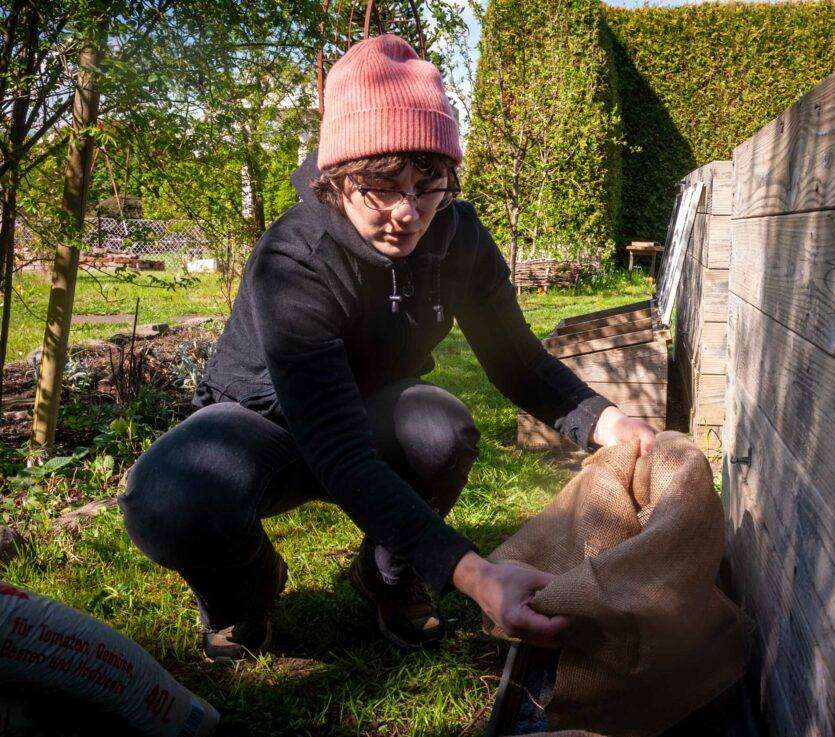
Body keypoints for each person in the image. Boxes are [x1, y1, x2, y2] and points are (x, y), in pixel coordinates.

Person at [118, 33, 656, 662]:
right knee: (166, 498)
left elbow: (517, 360)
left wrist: (607, 422)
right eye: (382, 186)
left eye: (427, 185)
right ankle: (248, 592)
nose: (408, 212)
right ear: (338, 178)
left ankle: (389, 576)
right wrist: (477, 576)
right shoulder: (295, 260)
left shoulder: (458, 238)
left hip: (374, 410)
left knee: (442, 429)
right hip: (263, 422)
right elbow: (336, 450)